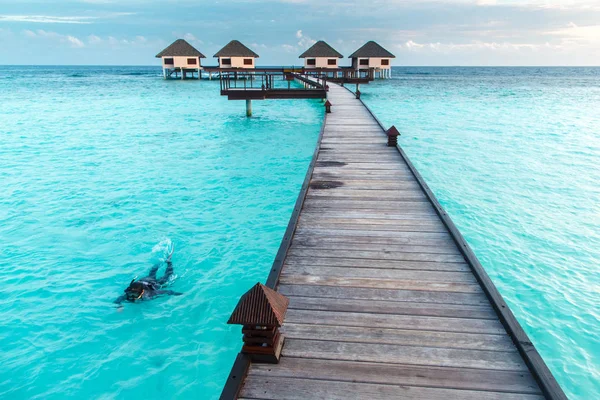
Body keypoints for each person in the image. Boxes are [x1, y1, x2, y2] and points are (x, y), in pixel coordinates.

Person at [114, 247, 182, 306]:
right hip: (145, 280)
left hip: (152, 283)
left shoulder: (151, 294)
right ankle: (159, 262)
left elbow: (168, 291)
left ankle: (168, 262)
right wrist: (119, 306)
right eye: (131, 294)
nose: (132, 297)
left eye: (135, 295)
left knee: (167, 275)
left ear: (142, 292)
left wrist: (178, 294)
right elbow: (118, 300)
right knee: (152, 272)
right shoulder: (129, 292)